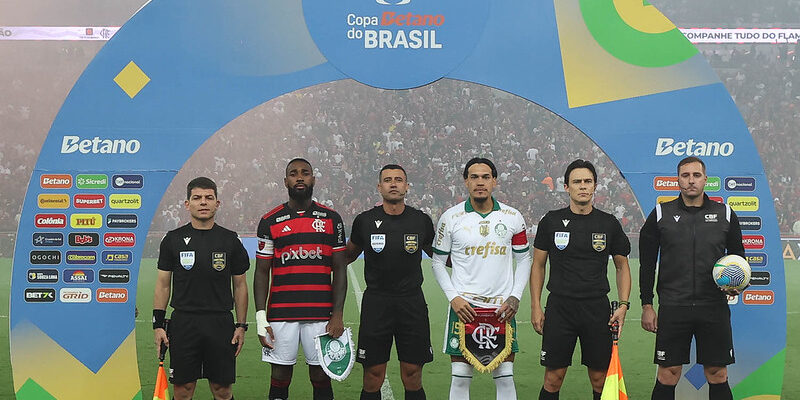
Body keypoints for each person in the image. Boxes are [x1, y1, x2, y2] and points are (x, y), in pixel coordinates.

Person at [640, 156, 745, 400]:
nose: (691, 181)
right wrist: (647, 304)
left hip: (713, 307)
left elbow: (739, 259)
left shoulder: (726, 214)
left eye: (696, 175)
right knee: (668, 373)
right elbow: (646, 265)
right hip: (674, 307)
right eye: (685, 176)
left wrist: (737, 284)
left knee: (717, 373)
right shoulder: (659, 214)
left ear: (705, 179)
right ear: (677, 180)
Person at [530, 159, 632, 400]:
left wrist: (624, 305)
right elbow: (538, 265)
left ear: (595, 186)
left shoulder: (608, 223)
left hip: (597, 309)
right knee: (553, 378)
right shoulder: (551, 221)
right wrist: (535, 305)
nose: (583, 186)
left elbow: (622, 266)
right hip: (560, 308)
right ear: (566, 187)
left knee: (599, 379)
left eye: (588, 181)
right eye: (577, 182)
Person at [431, 157, 532, 400]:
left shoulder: (512, 217)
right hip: (464, 308)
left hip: (502, 308)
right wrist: (454, 298)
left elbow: (524, 259)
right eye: (474, 177)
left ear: (494, 181)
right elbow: (436, 262)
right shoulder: (450, 218)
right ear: (466, 181)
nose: (480, 182)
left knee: (506, 378)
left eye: (485, 177)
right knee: (460, 379)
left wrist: (515, 297)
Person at [254, 158, 348, 400]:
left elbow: (339, 269)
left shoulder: (331, 219)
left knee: (320, 375)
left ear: (313, 179)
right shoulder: (270, 220)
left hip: (320, 313)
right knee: (280, 375)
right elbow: (262, 271)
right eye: (293, 173)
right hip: (281, 314)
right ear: (285, 181)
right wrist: (260, 317)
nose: (299, 177)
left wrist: (337, 313)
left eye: (305, 173)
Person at [153, 177, 250, 400]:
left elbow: (240, 285)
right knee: (183, 390)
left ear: (218, 203)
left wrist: (241, 325)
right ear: (187, 204)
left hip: (220, 322)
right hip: (184, 323)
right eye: (197, 198)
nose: (203, 202)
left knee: (222, 391)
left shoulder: (230, 240)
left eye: (209, 198)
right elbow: (163, 285)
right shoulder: (172, 240)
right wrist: (158, 325)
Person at [345, 164, 435, 400]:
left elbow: (440, 255)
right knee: (373, 375)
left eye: (398, 179)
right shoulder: (364, 221)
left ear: (406, 186)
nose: (393, 184)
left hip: (412, 303)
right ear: (379, 186)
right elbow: (347, 256)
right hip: (377, 303)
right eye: (388, 180)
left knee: (412, 373)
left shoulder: (421, 220)